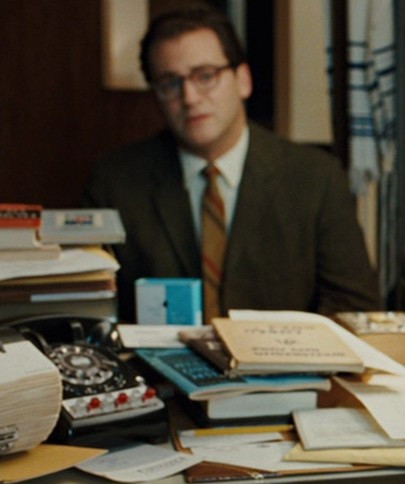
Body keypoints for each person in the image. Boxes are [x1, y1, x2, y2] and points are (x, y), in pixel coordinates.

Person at [85, 6, 378, 322]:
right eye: (170, 83)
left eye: (205, 76)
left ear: (243, 81)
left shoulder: (316, 178)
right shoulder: (115, 182)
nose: (190, 97)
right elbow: (92, 310)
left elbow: (354, 306)